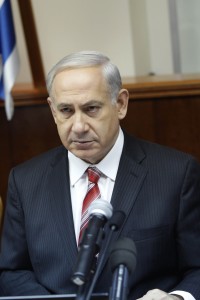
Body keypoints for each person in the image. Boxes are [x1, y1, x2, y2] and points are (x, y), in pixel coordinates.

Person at [0, 50, 200, 300]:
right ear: (52, 111)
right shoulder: (25, 181)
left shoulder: (176, 174)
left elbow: (197, 267)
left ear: (121, 104)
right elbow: (12, 271)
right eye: (66, 110)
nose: (79, 126)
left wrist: (177, 297)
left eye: (91, 108)